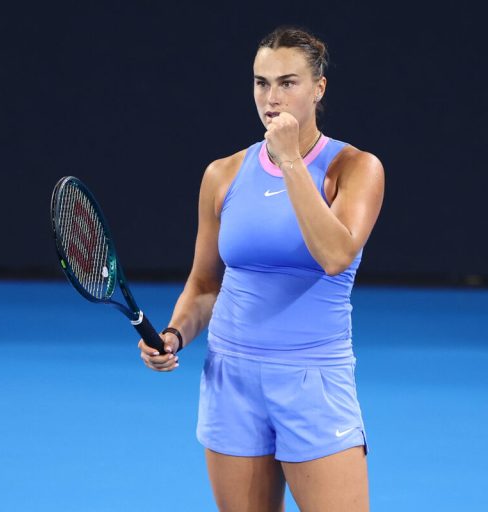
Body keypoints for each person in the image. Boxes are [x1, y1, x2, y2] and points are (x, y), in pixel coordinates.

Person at [138, 26, 385, 511]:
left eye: (288, 83)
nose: (272, 98)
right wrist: (174, 334)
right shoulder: (223, 174)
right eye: (261, 83)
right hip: (230, 379)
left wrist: (291, 161)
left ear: (318, 88)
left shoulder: (355, 168)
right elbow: (205, 284)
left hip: (313, 381)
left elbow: (335, 255)